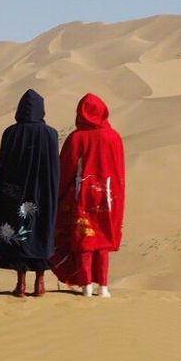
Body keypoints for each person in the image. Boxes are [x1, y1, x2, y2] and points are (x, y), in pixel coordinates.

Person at [0, 89, 60, 297]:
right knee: (41, 232)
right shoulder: (50, 134)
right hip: (43, 194)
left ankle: (21, 284)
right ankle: (40, 283)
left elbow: (3, 166)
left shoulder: (11, 132)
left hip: (13, 193)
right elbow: (54, 168)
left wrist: (3, 193)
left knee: (18, 233)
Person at [53, 93, 126, 297]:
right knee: (102, 238)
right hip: (109, 196)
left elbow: (65, 168)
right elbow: (120, 171)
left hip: (82, 195)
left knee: (84, 238)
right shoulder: (114, 137)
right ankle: (103, 286)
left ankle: (86, 285)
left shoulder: (77, 138)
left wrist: (60, 193)